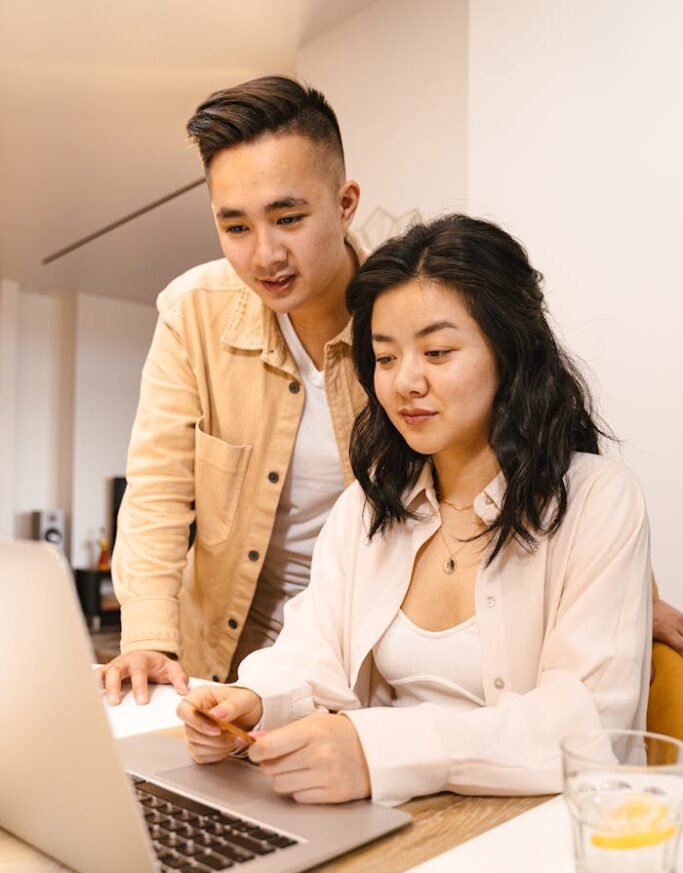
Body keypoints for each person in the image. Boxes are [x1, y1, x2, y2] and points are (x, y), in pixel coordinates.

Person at [178, 214, 652, 806]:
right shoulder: (367, 506)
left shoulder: (598, 499)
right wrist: (252, 702)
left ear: (510, 351)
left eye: (437, 351)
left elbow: (585, 723)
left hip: (546, 835)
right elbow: (312, 648)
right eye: (384, 358)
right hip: (398, 825)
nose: (405, 382)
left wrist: (376, 750)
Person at [101, 76, 365, 704]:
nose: (265, 254)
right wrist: (146, 638)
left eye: (289, 218)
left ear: (345, 202)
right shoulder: (194, 311)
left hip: (354, 669)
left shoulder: (409, 318)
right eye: (236, 227)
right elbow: (158, 488)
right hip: (218, 660)